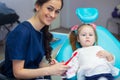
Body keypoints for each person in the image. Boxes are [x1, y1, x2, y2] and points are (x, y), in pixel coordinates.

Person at [1, 0, 70, 80]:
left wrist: (54, 67)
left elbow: (35, 63)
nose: (53, 15)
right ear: (37, 6)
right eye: (49, 8)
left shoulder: (41, 30)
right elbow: (18, 73)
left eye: (57, 11)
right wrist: (49, 70)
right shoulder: (22, 33)